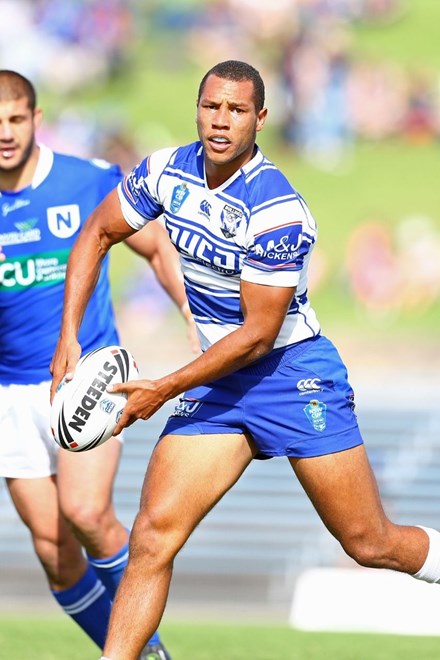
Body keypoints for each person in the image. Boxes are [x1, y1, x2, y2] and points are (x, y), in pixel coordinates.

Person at [50, 60, 440, 660]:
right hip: (220, 381)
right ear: (197, 109)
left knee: (369, 542)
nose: (220, 120)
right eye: (211, 106)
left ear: (260, 118)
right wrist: (68, 337)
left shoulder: (277, 208)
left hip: (290, 374)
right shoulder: (164, 172)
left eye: (236, 110)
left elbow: (258, 336)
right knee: (153, 536)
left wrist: (164, 387)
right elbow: (96, 234)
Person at [0, 70, 198, 660]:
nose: (5, 133)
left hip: (86, 377)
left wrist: (191, 312)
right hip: (9, 393)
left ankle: (143, 649)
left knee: (85, 512)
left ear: (36, 120)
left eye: (15, 119)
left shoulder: (85, 180)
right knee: (54, 551)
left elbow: (156, 247)